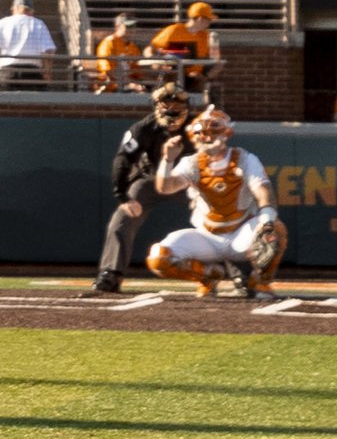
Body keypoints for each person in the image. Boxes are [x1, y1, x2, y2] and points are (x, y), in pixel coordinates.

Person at [146, 107, 285, 299]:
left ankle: (260, 282)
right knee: (158, 257)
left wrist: (267, 219)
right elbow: (165, 187)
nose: (207, 137)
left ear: (227, 133)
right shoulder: (191, 163)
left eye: (213, 131)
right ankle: (207, 276)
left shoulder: (245, 159)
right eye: (202, 133)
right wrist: (167, 160)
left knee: (275, 230)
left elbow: (263, 190)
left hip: (241, 233)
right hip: (207, 236)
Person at [90, 84, 192, 297]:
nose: (171, 110)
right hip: (150, 180)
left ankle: (237, 273)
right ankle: (111, 273)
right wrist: (123, 196)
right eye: (166, 104)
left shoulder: (197, 128)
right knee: (122, 219)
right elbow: (123, 159)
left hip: (186, 181)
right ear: (156, 106)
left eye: (176, 105)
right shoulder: (143, 129)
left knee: (216, 215)